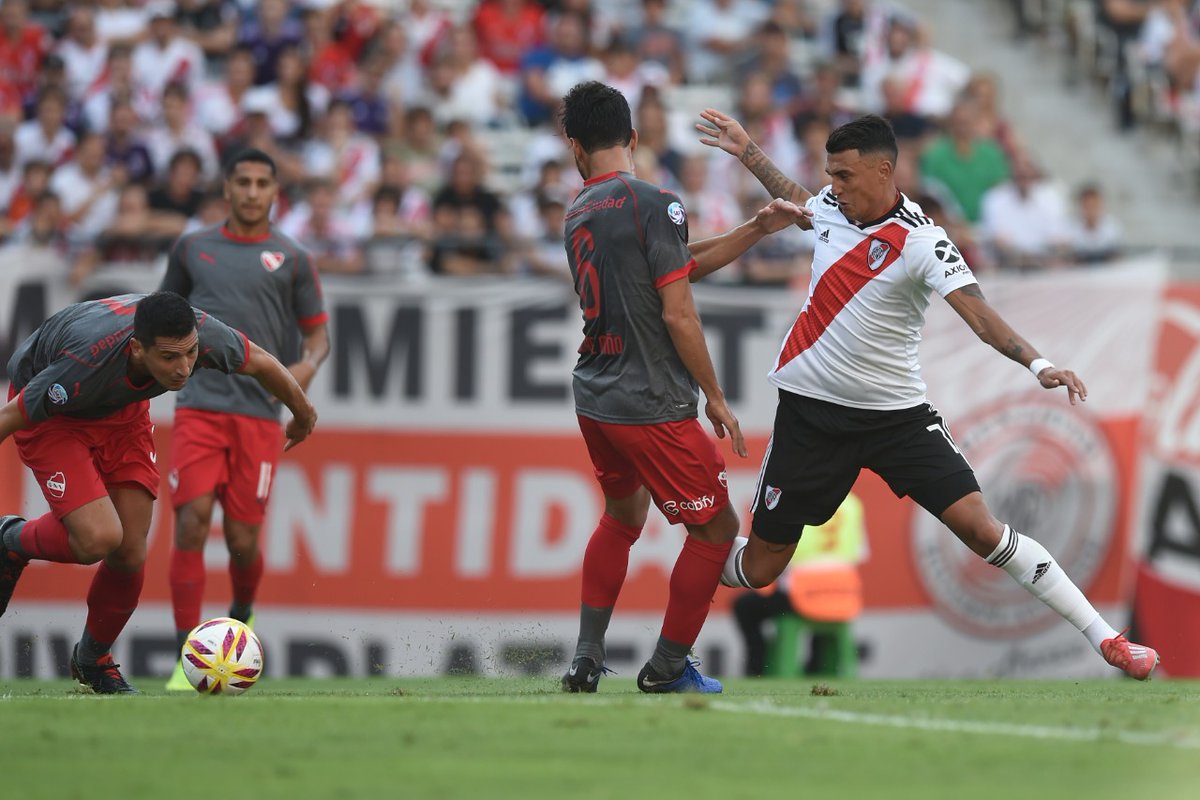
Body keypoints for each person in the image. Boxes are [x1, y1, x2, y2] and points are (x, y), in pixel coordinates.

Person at [694, 108, 1160, 680]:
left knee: (982, 527)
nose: (833, 189)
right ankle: (703, 556)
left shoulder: (921, 240)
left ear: (884, 171)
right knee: (762, 568)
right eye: (830, 176)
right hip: (811, 414)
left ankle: (1109, 640)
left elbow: (978, 313)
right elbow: (799, 200)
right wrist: (748, 150)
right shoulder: (834, 209)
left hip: (895, 418)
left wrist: (1038, 363)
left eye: (844, 176)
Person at [557, 81, 807, 695]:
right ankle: (667, 666)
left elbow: (674, 261)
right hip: (651, 402)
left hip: (596, 396)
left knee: (621, 515)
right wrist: (715, 396)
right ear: (635, 139)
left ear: (574, 148)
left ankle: (586, 658)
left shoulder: (579, 211)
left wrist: (752, 230)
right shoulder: (652, 200)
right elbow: (678, 310)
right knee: (717, 531)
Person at [0, 291, 318, 694]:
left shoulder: (201, 334)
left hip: (122, 415)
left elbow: (258, 361)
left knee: (130, 550)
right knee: (97, 538)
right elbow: (11, 416)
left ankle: (93, 660)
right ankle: (10, 540)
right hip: (55, 416)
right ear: (136, 348)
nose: (184, 368)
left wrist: (302, 412)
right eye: (169, 358)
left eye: (189, 354)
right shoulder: (82, 364)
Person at [158, 148, 330, 691]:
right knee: (190, 521)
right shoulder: (193, 248)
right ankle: (191, 658)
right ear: (226, 189)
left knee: (242, 542)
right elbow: (160, 319)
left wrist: (292, 375)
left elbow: (319, 339)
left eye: (263, 183)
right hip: (200, 405)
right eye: (244, 182)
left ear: (276, 192)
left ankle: (241, 613)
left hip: (259, 415)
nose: (253, 192)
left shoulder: (294, 258)